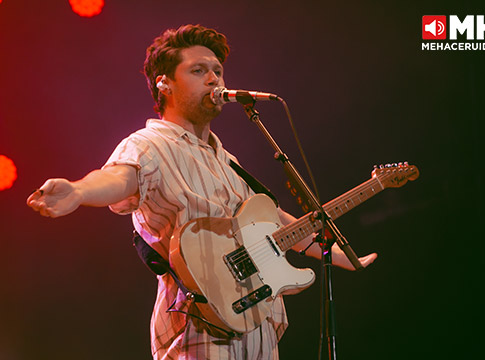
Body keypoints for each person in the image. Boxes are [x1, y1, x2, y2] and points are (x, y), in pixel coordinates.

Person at [27, 24, 377, 359]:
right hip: (200, 324)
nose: (214, 79)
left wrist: (341, 254)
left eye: (218, 70)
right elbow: (119, 178)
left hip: (257, 323)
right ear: (163, 83)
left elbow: (276, 223)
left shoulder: (227, 160)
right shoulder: (150, 144)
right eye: (198, 70)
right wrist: (77, 190)